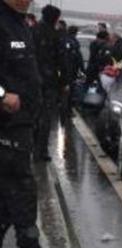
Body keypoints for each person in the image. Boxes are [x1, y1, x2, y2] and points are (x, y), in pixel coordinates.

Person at [0, 0, 74, 248]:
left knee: (6, 196)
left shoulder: (21, 24)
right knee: (22, 191)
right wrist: (1, 94)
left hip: (24, 123)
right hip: (7, 125)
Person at [33, 4, 64, 162]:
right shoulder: (56, 35)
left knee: (33, 116)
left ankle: (32, 148)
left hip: (32, 80)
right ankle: (41, 150)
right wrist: (64, 82)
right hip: (49, 82)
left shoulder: (31, 31)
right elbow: (61, 61)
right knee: (45, 118)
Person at [60, 24, 83, 116]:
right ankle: (67, 110)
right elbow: (78, 57)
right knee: (69, 91)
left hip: (63, 69)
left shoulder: (63, 40)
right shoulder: (74, 43)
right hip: (71, 70)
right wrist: (82, 69)